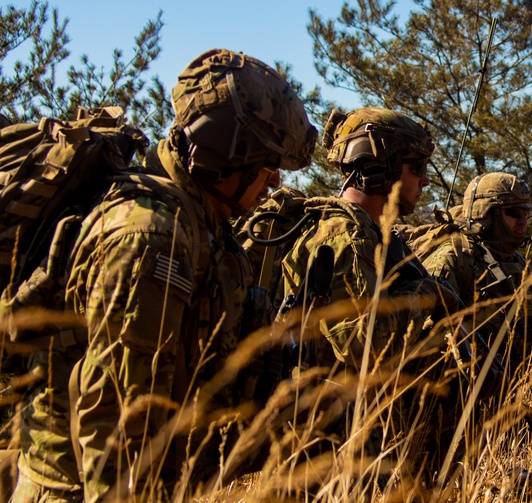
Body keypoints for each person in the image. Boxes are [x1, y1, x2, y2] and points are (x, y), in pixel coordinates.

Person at [11, 48, 316, 503]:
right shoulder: (152, 236)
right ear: (229, 154)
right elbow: (115, 422)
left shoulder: (203, 225)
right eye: (268, 166)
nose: (274, 184)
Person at [273, 106, 463, 488]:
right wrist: (425, 296)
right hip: (330, 452)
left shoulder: (376, 235)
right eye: (417, 167)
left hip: (362, 442)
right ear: (383, 168)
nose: (425, 181)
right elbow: (364, 344)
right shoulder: (344, 235)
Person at [421, 172, 532, 426]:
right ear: (486, 212)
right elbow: (428, 338)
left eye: (525, 213)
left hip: (512, 410)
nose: (523, 221)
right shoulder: (455, 256)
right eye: (513, 212)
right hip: (462, 418)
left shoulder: (520, 264)